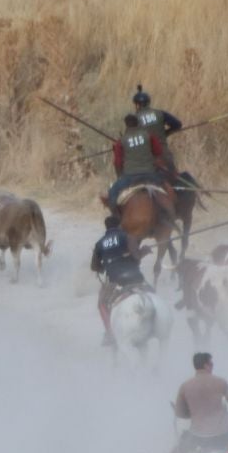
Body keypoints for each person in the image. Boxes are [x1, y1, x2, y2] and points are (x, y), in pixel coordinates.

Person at [89, 214, 145, 345]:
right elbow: (137, 257)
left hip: (116, 279)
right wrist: (145, 251)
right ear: (119, 225)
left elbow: (94, 267)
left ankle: (110, 333)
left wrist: (104, 265)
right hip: (135, 276)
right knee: (150, 291)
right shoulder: (127, 237)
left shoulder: (99, 244)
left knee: (101, 303)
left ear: (106, 227)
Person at [172, 353, 228, 453]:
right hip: (223, 435)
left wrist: (194, 413)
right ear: (206, 365)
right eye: (211, 363)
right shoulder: (221, 382)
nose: (212, 366)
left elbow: (179, 413)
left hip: (197, 437)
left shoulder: (185, 386)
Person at [108, 112, 167, 206]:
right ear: (138, 123)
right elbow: (159, 152)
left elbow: (118, 163)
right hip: (150, 174)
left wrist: (120, 177)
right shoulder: (149, 136)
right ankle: (172, 212)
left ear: (126, 124)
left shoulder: (121, 141)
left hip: (130, 177)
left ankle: (114, 217)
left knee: (112, 192)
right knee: (168, 186)